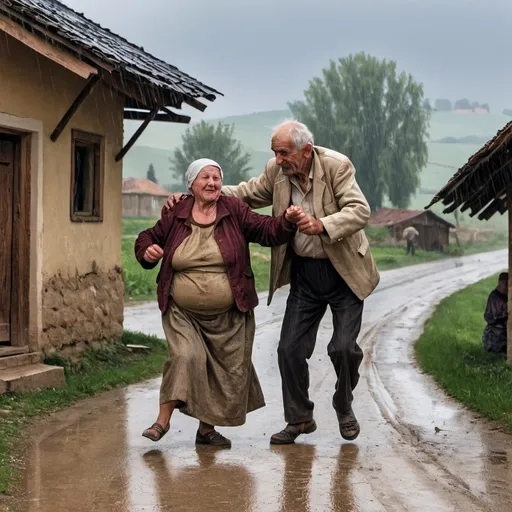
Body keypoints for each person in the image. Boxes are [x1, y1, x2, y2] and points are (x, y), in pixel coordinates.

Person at [166, 121, 380, 444]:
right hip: (305, 275)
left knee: (344, 348)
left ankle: (343, 403)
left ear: (306, 151)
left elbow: (359, 210)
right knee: (288, 349)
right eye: (274, 153)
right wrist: (197, 192)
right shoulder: (277, 171)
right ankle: (299, 418)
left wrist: (321, 224)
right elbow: (245, 193)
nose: (278, 160)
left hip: (344, 272)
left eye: (283, 153)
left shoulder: (337, 166)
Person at [135, 158, 303, 448]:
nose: (212, 183)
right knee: (185, 357)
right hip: (183, 312)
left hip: (229, 312)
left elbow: (265, 230)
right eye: (205, 178)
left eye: (216, 177)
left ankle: (206, 430)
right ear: (191, 184)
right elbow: (148, 236)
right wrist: (146, 250)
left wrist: (286, 221)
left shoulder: (233, 209)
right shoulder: (177, 212)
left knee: (224, 370)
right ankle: (162, 421)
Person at [482, 272, 508, 354]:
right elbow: (494, 318)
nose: (506, 288)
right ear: (500, 283)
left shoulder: (506, 296)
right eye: (505, 284)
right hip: (493, 334)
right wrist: (506, 310)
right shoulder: (494, 297)